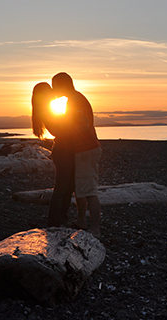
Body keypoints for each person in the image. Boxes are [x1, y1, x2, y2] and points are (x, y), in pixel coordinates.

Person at [51, 72, 102, 238]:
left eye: (54, 86)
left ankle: (96, 228)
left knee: (89, 190)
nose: (53, 90)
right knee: (80, 188)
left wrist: (66, 129)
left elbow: (83, 125)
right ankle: (81, 220)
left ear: (62, 85)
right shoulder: (73, 100)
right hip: (81, 150)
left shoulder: (76, 101)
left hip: (86, 150)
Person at [31, 82, 75, 227]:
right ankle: (56, 220)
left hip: (64, 150)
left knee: (67, 186)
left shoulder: (47, 110)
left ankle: (61, 218)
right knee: (62, 187)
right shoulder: (47, 112)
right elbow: (61, 130)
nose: (53, 92)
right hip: (64, 151)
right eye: (49, 90)